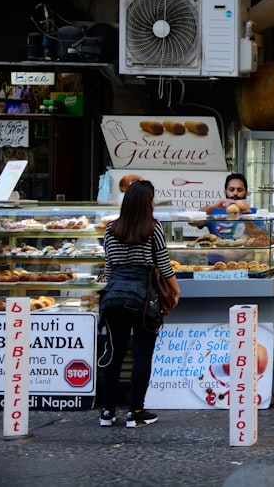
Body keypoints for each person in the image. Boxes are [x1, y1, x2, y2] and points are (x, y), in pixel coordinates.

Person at [97, 178, 181, 428]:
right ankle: (135, 412)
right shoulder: (153, 228)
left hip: (113, 298)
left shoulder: (110, 229)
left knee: (114, 354)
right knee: (143, 355)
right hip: (143, 299)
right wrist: (175, 292)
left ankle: (107, 412)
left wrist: (111, 290)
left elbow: (109, 269)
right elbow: (164, 264)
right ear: (147, 202)